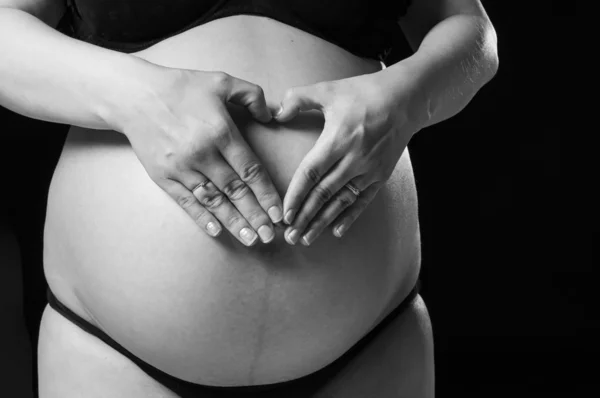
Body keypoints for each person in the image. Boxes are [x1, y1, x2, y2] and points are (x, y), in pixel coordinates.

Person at [0, 0, 498, 397]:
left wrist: (406, 97)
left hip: (372, 347)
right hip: (114, 357)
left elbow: (472, 33)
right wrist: (138, 96)